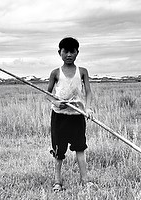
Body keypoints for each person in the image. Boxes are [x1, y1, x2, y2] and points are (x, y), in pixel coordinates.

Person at [47, 37, 93, 192]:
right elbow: (47, 94)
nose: (68, 55)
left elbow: (88, 92)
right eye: (65, 51)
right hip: (59, 117)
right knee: (59, 150)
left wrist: (88, 108)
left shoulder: (83, 72)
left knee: (80, 148)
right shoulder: (55, 73)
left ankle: (85, 180)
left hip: (77, 115)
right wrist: (55, 102)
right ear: (59, 52)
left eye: (72, 51)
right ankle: (57, 182)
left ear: (77, 53)